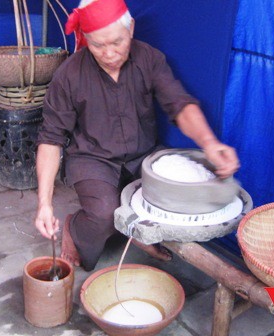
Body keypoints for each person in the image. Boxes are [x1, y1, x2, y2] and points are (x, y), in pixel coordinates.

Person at [34, 0, 240, 271]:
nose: (108, 53)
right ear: (85, 38)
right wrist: (44, 204)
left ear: (130, 28)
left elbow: (179, 104)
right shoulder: (69, 75)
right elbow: (50, 139)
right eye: (97, 45)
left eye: (116, 42)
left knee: (173, 197)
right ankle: (76, 228)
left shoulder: (149, 59)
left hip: (143, 153)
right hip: (92, 158)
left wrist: (209, 143)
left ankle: (136, 232)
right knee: (104, 214)